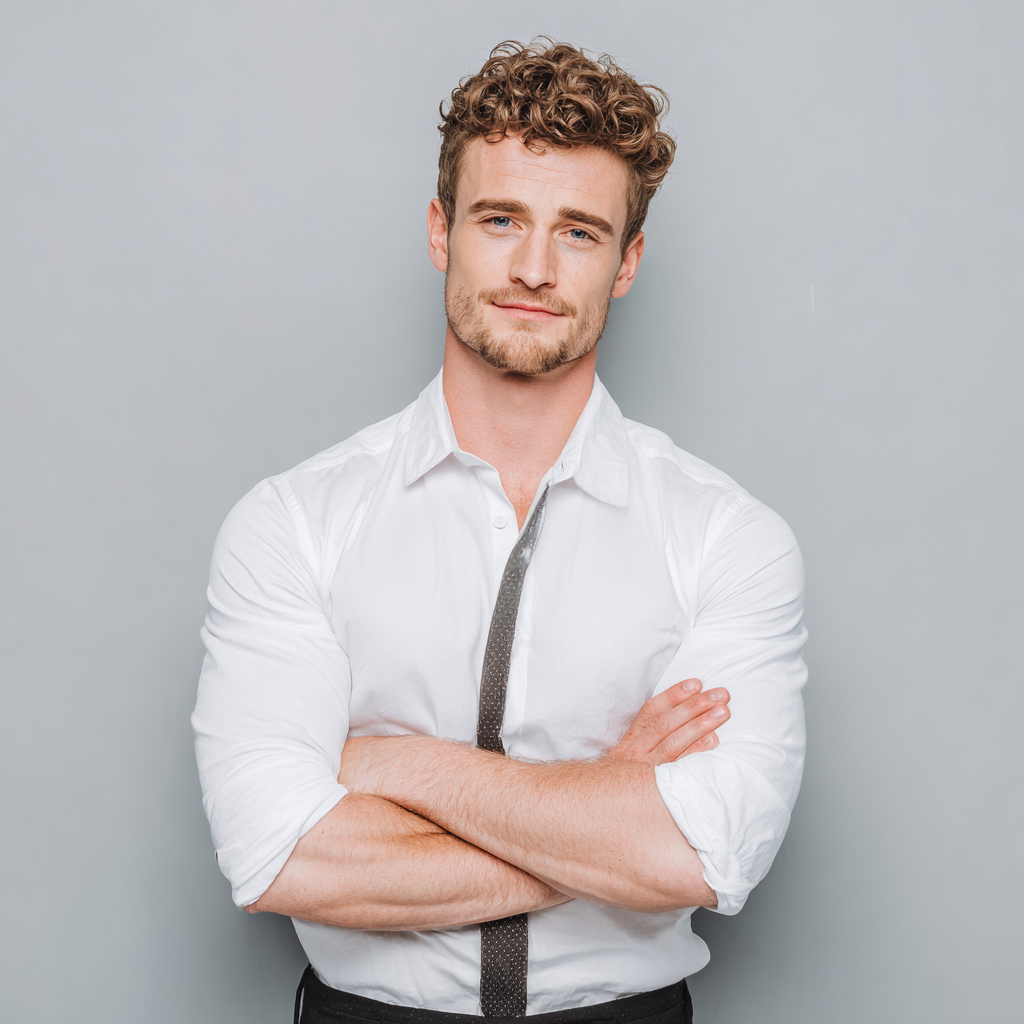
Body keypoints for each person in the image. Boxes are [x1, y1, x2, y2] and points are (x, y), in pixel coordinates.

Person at [193, 38, 807, 1024]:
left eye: (578, 232)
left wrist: (392, 765)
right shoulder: (293, 522)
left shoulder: (725, 537)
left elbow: (700, 853)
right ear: (441, 230)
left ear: (626, 261)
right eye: (500, 219)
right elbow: (281, 857)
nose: (533, 268)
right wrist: (607, 805)